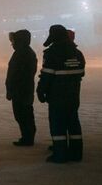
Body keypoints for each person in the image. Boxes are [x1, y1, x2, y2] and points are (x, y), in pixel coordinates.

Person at [37, 25, 86, 163]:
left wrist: (41, 91)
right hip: (73, 95)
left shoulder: (52, 52)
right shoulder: (77, 53)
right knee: (73, 123)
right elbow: (81, 72)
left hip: (57, 96)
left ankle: (60, 154)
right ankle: (76, 153)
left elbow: (47, 75)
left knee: (58, 124)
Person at [5, 30, 38, 146]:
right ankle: (27, 136)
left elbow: (16, 74)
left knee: (23, 114)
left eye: (13, 41)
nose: (12, 43)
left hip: (21, 90)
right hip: (24, 89)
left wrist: (11, 88)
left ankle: (27, 138)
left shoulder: (22, 54)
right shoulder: (26, 52)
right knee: (24, 114)